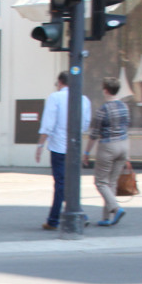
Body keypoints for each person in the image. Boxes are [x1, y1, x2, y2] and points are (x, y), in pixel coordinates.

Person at [36, 72, 91, 231]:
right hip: (74, 147)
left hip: (59, 146)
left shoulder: (55, 98)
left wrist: (40, 145)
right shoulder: (84, 99)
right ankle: (73, 214)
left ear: (60, 82)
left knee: (61, 183)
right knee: (70, 182)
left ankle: (56, 219)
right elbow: (85, 124)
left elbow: (48, 123)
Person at [84, 76, 131, 226]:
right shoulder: (125, 107)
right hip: (123, 145)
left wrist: (86, 153)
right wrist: (127, 156)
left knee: (100, 182)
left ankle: (115, 208)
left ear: (105, 90)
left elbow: (94, 134)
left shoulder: (103, 109)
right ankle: (106, 218)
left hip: (108, 146)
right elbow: (126, 128)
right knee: (111, 182)